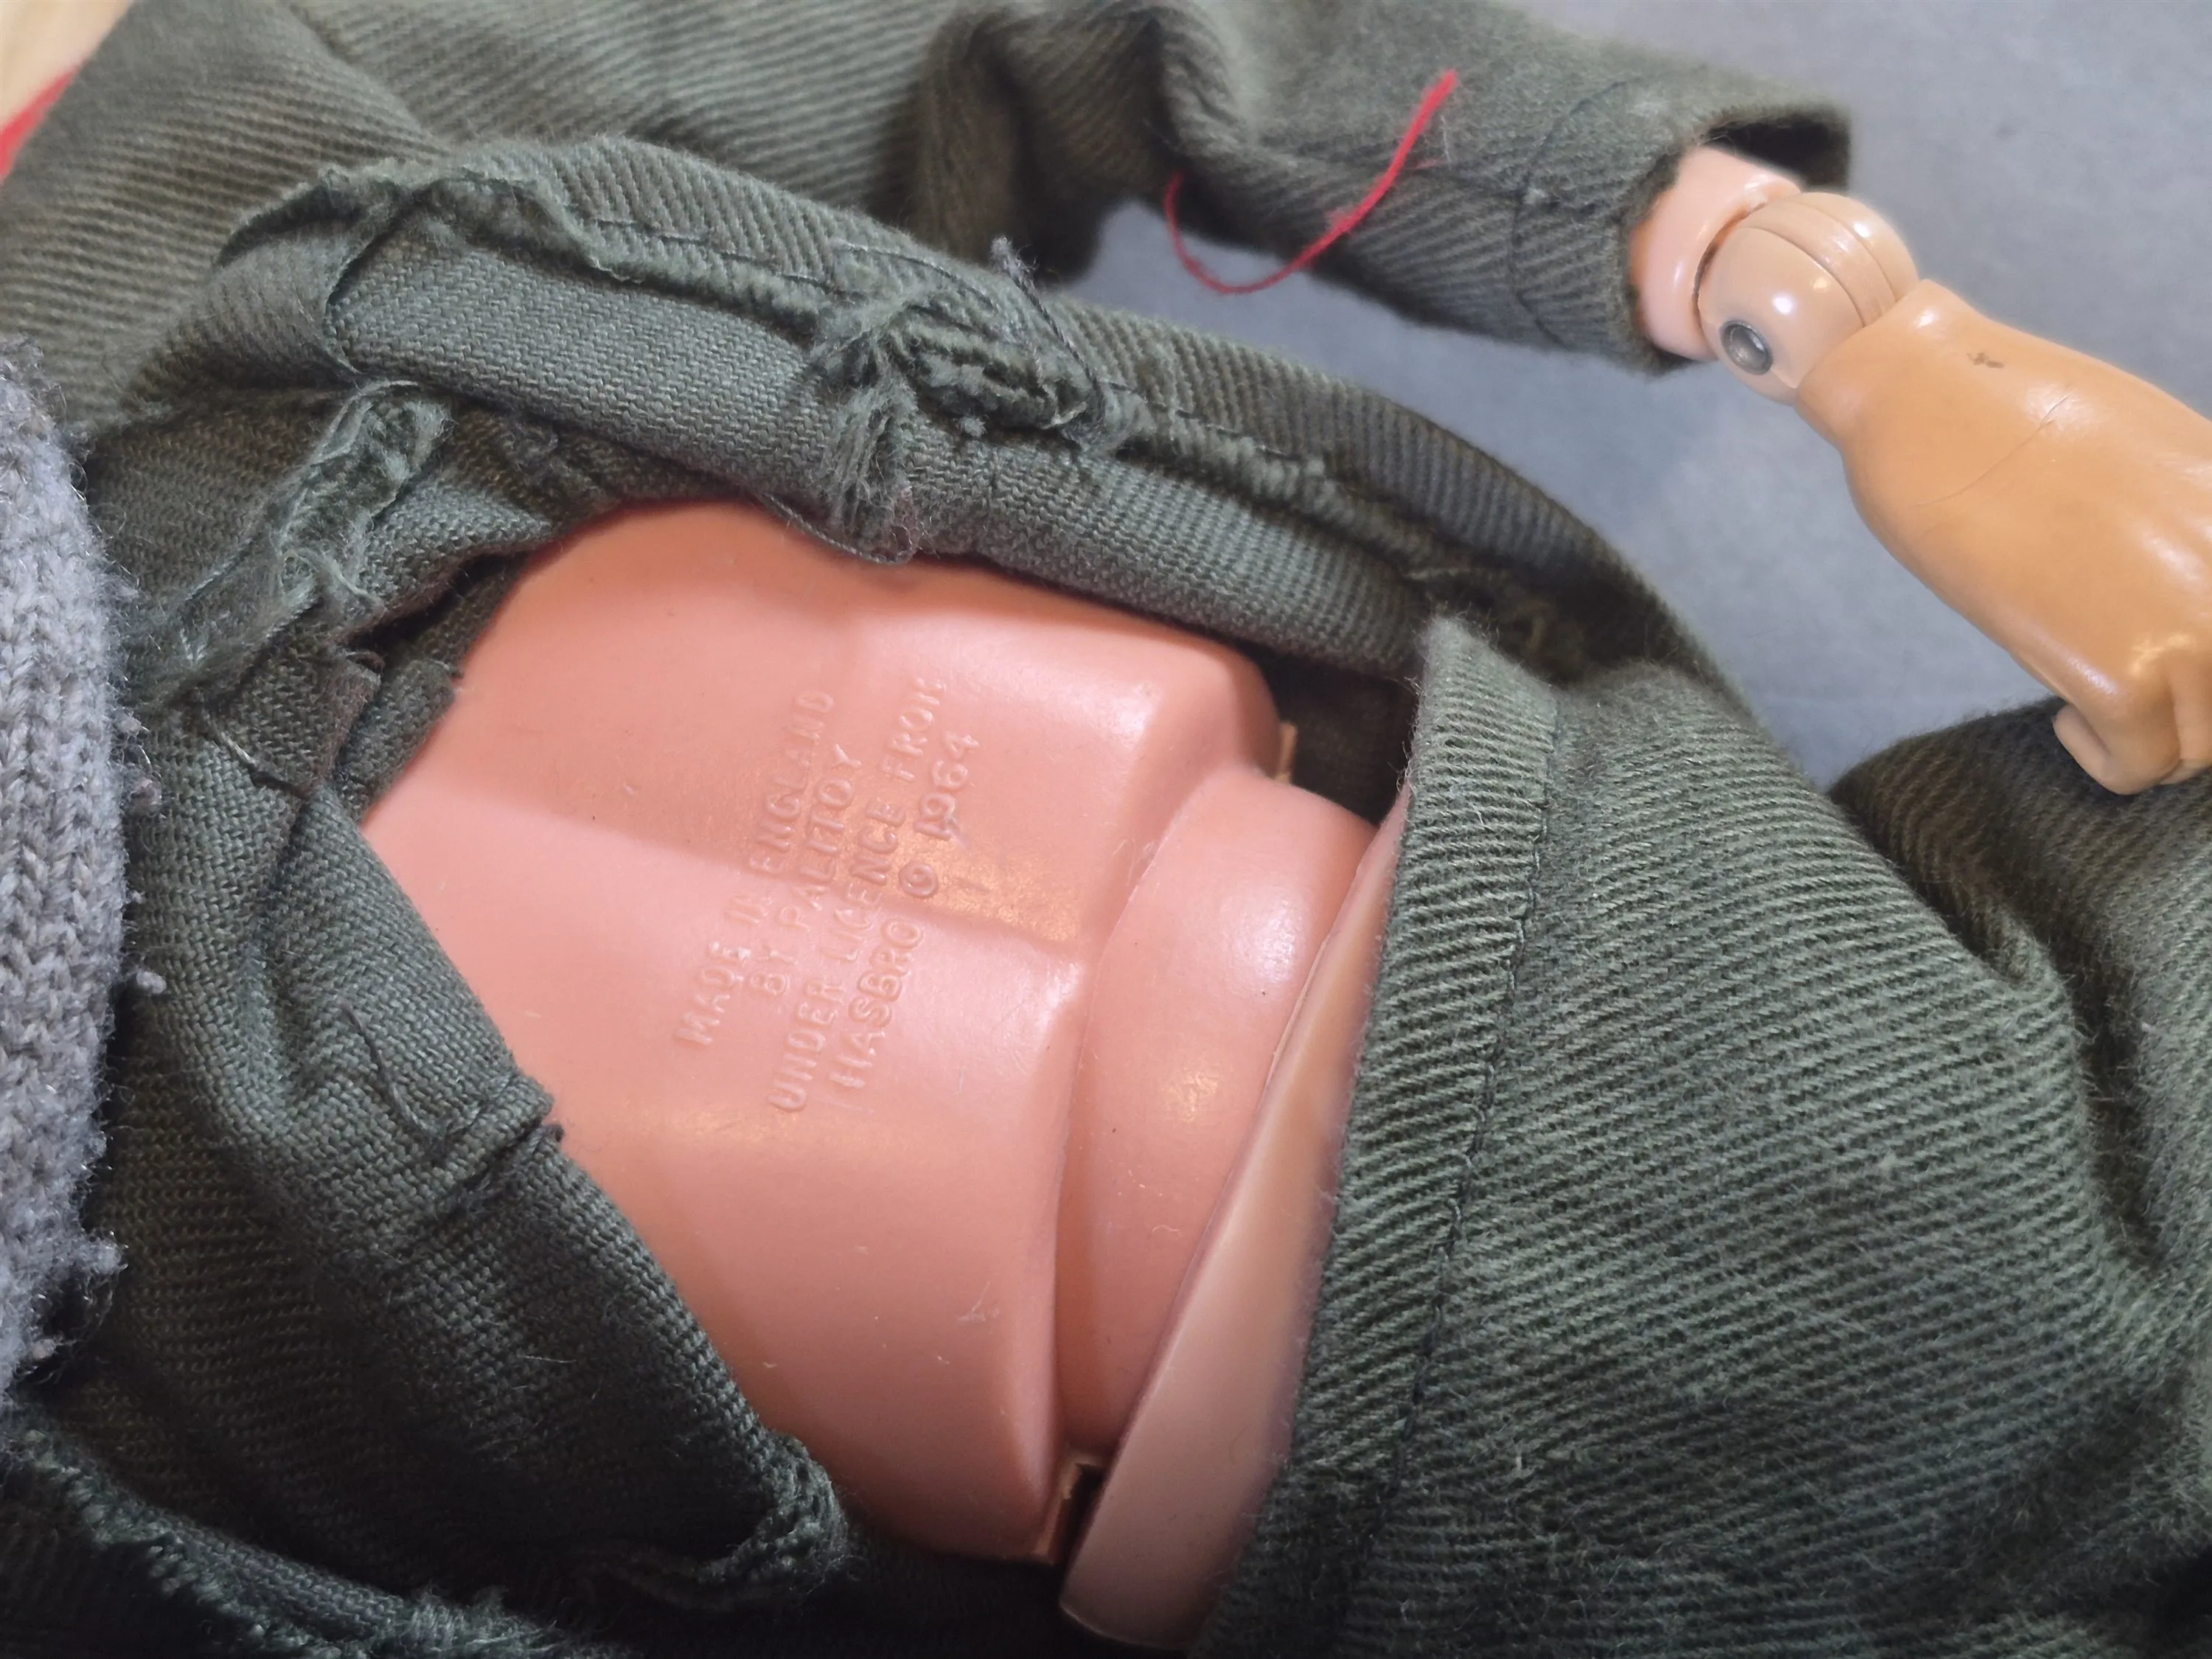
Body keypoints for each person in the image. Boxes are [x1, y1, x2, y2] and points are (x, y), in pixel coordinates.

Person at [0, 2, 2205, 1655]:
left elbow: (1034, 28)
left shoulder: (176, 204)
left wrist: (1812, 299)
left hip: (1697, 965)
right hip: (1359, 1543)